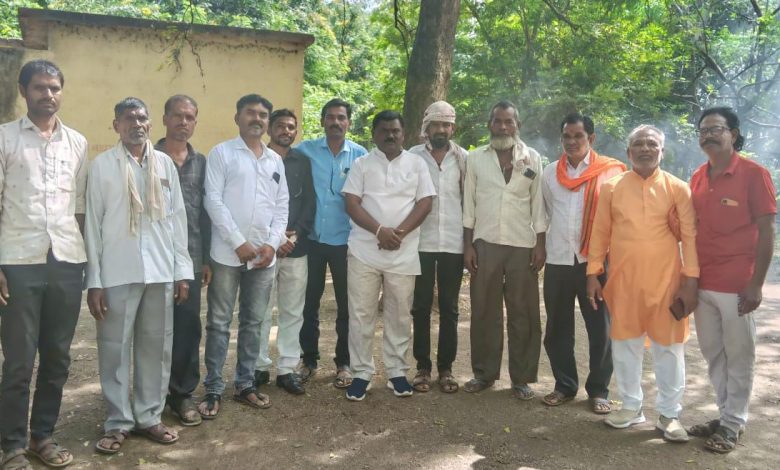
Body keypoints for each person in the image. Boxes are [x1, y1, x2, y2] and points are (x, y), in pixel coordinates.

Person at [86, 97, 193, 454]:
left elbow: (178, 219)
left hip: (160, 270)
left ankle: (149, 416)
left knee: (156, 346)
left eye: (142, 118)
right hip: (117, 270)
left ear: (150, 123)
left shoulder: (164, 164)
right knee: (114, 349)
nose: (137, 124)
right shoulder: (103, 166)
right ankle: (118, 421)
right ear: (116, 125)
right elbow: (93, 226)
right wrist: (94, 281)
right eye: (128, 118)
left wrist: (182, 271)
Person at [586, 124, 698, 443]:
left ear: (662, 151)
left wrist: (691, 280)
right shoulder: (612, 187)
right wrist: (593, 273)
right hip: (624, 282)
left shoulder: (678, 188)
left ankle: (669, 415)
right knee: (625, 346)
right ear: (628, 152)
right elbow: (600, 233)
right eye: (638, 144)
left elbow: (690, 237)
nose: (645, 149)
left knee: (670, 349)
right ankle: (631, 407)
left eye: (652, 144)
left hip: (667, 282)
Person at [0, 60, 87, 470]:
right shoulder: (5, 139)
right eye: (39, 87)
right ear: (23, 91)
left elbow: (79, 208)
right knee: (19, 361)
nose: (48, 95)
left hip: (66, 261)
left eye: (54, 87)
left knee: (57, 358)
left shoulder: (77, 143)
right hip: (18, 261)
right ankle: (12, 445)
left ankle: (42, 437)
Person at [687, 107, 777, 453]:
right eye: (703, 130)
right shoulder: (698, 176)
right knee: (714, 353)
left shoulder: (754, 174)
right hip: (703, 281)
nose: (708, 135)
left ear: (734, 135)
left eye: (716, 129)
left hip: (738, 283)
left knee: (739, 355)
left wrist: (756, 283)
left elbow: (767, 231)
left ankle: (733, 423)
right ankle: (726, 415)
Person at [200, 94, 288, 418]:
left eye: (263, 114)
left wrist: (272, 244)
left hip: (264, 258)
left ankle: (245, 384)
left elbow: (282, 206)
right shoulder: (222, 153)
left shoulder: (275, 160)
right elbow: (213, 201)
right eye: (250, 113)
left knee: (254, 321)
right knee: (219, 323)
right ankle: (213, 387)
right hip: (227, 254)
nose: (257, 119)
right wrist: (238, 242)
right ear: (237, 117)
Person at [341, 110, 435, 401]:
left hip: (403, 252)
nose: (390, 135)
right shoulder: (362, 164)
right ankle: (361, 373)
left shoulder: (417, 163)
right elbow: (351, 203)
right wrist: (380, 231)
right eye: (384, 130)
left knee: (399, 314)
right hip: (364, 251)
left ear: (403, 134)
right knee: (361, 313)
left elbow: (425, 203)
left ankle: (397, 372)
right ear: (374, 134)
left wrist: (398, 234)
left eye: (395, 130)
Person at [541, 113, 625, 413]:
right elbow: (545, 214)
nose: (572, 141)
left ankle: (599, 390)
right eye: (567, 136)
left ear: (591, 138)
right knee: (557, 327)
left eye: (578, 135)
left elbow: (618, 218)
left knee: (600, 329)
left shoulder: (612, 172)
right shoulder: (550, 173)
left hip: (596, 263)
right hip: (558, 259)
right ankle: (564, 385)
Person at [462, 100, 547, 400]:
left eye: (508, 121)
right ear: (490, 125)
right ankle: (484, 374)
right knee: (484, 310)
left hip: (522, 244)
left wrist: (540, 244)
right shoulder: (476, 158)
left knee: (523, 312)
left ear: (517, 125)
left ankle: (521, 378)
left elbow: (538, 202)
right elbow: (469, 204)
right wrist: (468, 245)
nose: (502, 127)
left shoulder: (532, 158)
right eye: (497, 121)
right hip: (485, 243)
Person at [296, 99, 367, 388]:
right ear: (323, 121)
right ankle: (308, 360)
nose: (335, 122)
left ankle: (344, 363)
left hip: (346, 243)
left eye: (341, 117)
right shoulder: (305, 151)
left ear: (348, 122)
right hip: (312, 240)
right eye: (330, 117)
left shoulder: (361, 156)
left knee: (347, 306)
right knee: (308, 303)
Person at [155, 95, 211, 426]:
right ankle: (150, 393)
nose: (183, 122)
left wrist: (205, 259)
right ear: (164, 118)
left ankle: (181, 393)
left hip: (189, 258)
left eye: (189, 117)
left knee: (188, 327)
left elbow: (205, 213)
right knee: (152, 328)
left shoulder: (201, 162)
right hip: (153, 257)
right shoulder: (148, 157)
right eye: (177, 115)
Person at [408, 101, 467, 394]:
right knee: (420, 306)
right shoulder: (412, 157)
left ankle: (446, 369)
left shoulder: (464, 159)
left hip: (453, 244)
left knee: (449, 308)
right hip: (420, 242)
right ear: (427, 127)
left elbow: (469, 201)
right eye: (436, 124)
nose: (441, 129)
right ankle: (423, 367)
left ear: (452, 128)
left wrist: (470, 243)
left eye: (446, 124)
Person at [254, 109, 315, 395]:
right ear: (270, 129)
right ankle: (258, 366)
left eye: (291, 127)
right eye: (280, 126)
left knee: (292, 310)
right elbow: (256, 204)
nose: (286, 131)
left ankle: (287, 369)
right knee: (261, 309)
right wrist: (275, 238)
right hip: (264, 247)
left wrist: (295, 235)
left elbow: (309, 203)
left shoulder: (302, 161)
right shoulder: (259, 158)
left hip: (296, 247)